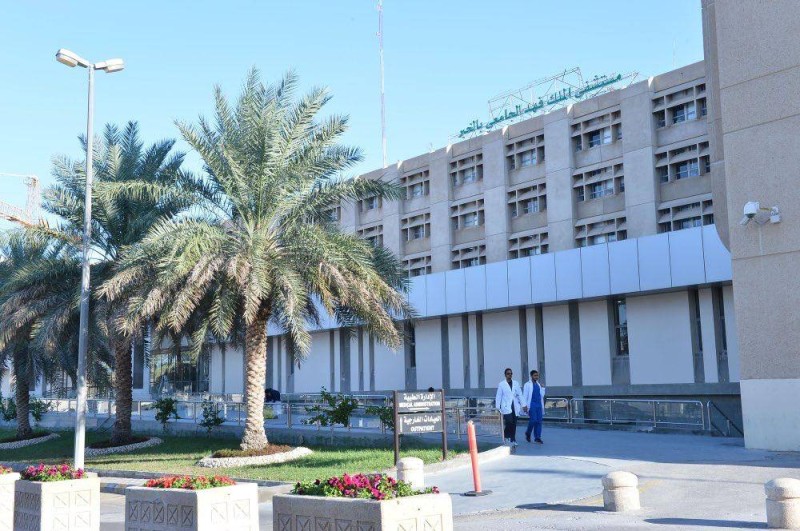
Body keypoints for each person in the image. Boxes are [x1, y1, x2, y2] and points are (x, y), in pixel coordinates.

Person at [495, 367, 523, 446]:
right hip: (506, 406)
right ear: (505, 375)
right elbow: (498, 396)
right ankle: (506, 436)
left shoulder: (516, 383)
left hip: (515, 406)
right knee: (509, 422)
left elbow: (520, 394)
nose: (510, 375)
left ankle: (513, 439)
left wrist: (523, 405)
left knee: (514, 423)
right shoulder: (501, 384)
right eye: (508, 374)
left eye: (511, 373)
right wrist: (498, 407)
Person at [522, 369, 546, 444]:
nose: (536, 377)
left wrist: (543, 388)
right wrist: (524, 405)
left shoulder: (538, 385)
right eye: (535, 375)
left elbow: (542, 395)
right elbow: (524, 396)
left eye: (537, 375)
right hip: (531, 404)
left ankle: (537, 437)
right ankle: (528, 432)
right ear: (531, 376)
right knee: (533, 420)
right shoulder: (527, 384)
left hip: (539, 404)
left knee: (539, 421)